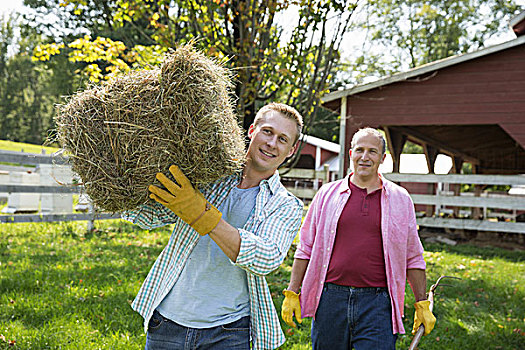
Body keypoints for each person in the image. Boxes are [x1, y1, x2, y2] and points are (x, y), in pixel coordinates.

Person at [122, 102, 304, 350]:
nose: (272, 143)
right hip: (167, 321)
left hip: (228, 332)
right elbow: (149, 217)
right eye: (268, 132)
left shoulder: (285, 205)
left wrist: (203, 216)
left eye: (283, 139)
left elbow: (266, 258)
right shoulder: (208, 176)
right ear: (251, 130)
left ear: (291, 150)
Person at [281, 127, 436, 350]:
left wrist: (421, 303)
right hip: (330, 299)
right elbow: (306, 248)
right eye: (359, 150)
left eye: (372, 152)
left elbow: (413, 257)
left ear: (382, 158)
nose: (365, 157)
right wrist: (292, 292)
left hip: (378, 304)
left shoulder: (401, 199)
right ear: (350, 154)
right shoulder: (326, 195)